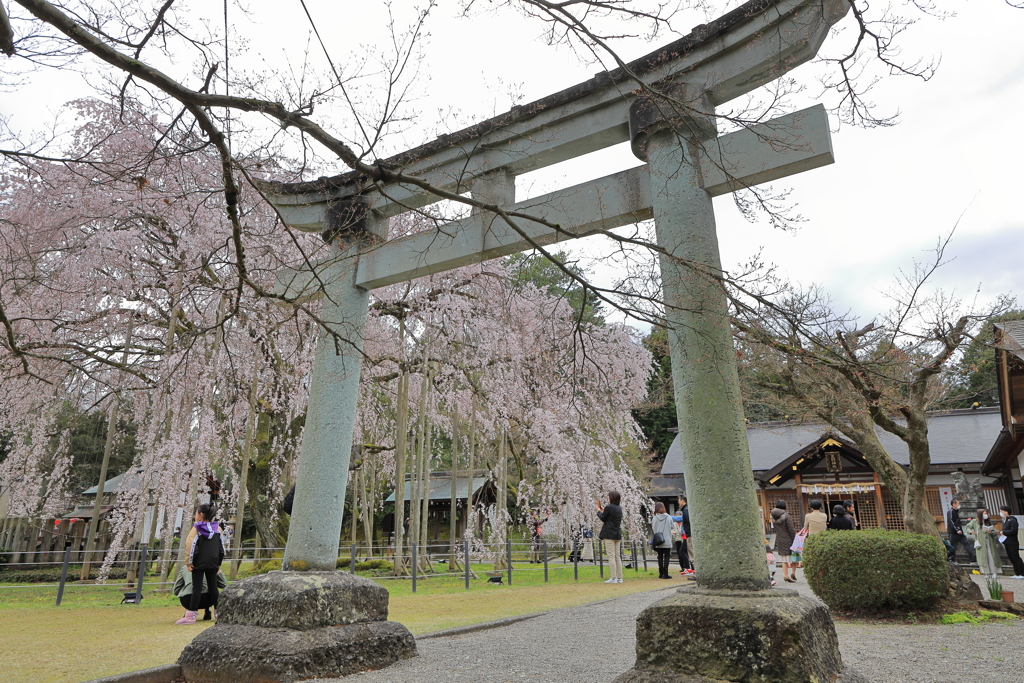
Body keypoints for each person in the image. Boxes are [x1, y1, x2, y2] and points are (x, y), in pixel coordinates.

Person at [176, 502, 226, 625]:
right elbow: (221, 547)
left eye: (196, 513)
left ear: (201, 514)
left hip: (198, 562)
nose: (195, 515)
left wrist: (189, 562)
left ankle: (191, 615)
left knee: (197, 587)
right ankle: (219, 613)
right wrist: (218, 563)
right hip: (213, 562)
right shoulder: (218, 529)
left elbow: (190, 545)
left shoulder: (196, 529)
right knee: (213, 587)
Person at [965, 507, 1000, 578]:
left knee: (991, 556)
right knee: (983, 557)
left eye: (986, 513)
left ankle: (994, 572)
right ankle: (986, 573)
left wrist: (991, 532)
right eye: (984, 513)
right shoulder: (975, 521)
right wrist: (971, 532)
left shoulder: (988, 522)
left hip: (989, 541)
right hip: (980, 541)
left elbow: (994, 531)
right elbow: (967, 527)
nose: (986, 515)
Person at [597, 490, 623, 584]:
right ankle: (620, 577)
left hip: (609, 534)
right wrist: (604, 511)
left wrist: (599, 512)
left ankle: (613, 577)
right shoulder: (619, 508)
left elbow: (603, 518)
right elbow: (611, 517)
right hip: (617, 533)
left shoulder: (609, 507)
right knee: (617, 556)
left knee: (611, 556)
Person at [770, 500, 798, 583]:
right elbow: (791, 529)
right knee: (794, 556)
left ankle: (786, 575)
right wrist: (794, 539)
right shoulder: (786, 515)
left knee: (783, 559)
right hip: (788, 538)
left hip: (780, 539)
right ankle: (793, 573)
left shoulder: (773, 516)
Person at [671, 494, 694, 577]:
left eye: (678, 500)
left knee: (689, 552)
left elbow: (688, 521)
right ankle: (689, 569)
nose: (678, 502)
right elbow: (680, 518)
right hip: (688, 534)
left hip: (689, 534)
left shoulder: (686, 510)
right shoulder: (686, 510)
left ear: (682, 501)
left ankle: (692, 570)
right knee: (684, 551)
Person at [650, 502, 675, 579]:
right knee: (667, 557)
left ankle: (661, 573)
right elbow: (672, 527)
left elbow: (653, 528)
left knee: (660, 556)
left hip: (659, 540)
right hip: (667, 539)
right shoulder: (669, 517)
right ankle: (666, 573)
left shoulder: (655, 518)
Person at [998, 506, 1024, 578]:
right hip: (1007, 542)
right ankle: (1017, 573)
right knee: (1011, 558)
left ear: (1006, 512)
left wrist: (1004, 532)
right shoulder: (1006, 520)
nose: (1000, 513)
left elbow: (1013, 530)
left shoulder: (1012, 520)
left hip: (1012, 542)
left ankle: (1022, 573)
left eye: (1001, 511)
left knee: (1016, 557)